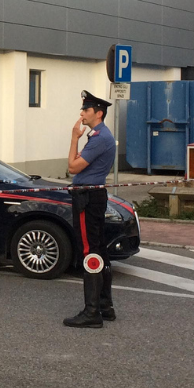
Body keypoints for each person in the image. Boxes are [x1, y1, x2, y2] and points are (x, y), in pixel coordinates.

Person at [63, 90, 117, 329]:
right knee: (98, 249)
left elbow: (73, 167)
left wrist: (74, 138)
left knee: (89, 251)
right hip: (91, 195)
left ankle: (92, 312)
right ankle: (105, 306)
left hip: (88, 197)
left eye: (86, 110)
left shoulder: (99, 138)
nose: (81, 114)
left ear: (99, 112)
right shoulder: (98, 135)